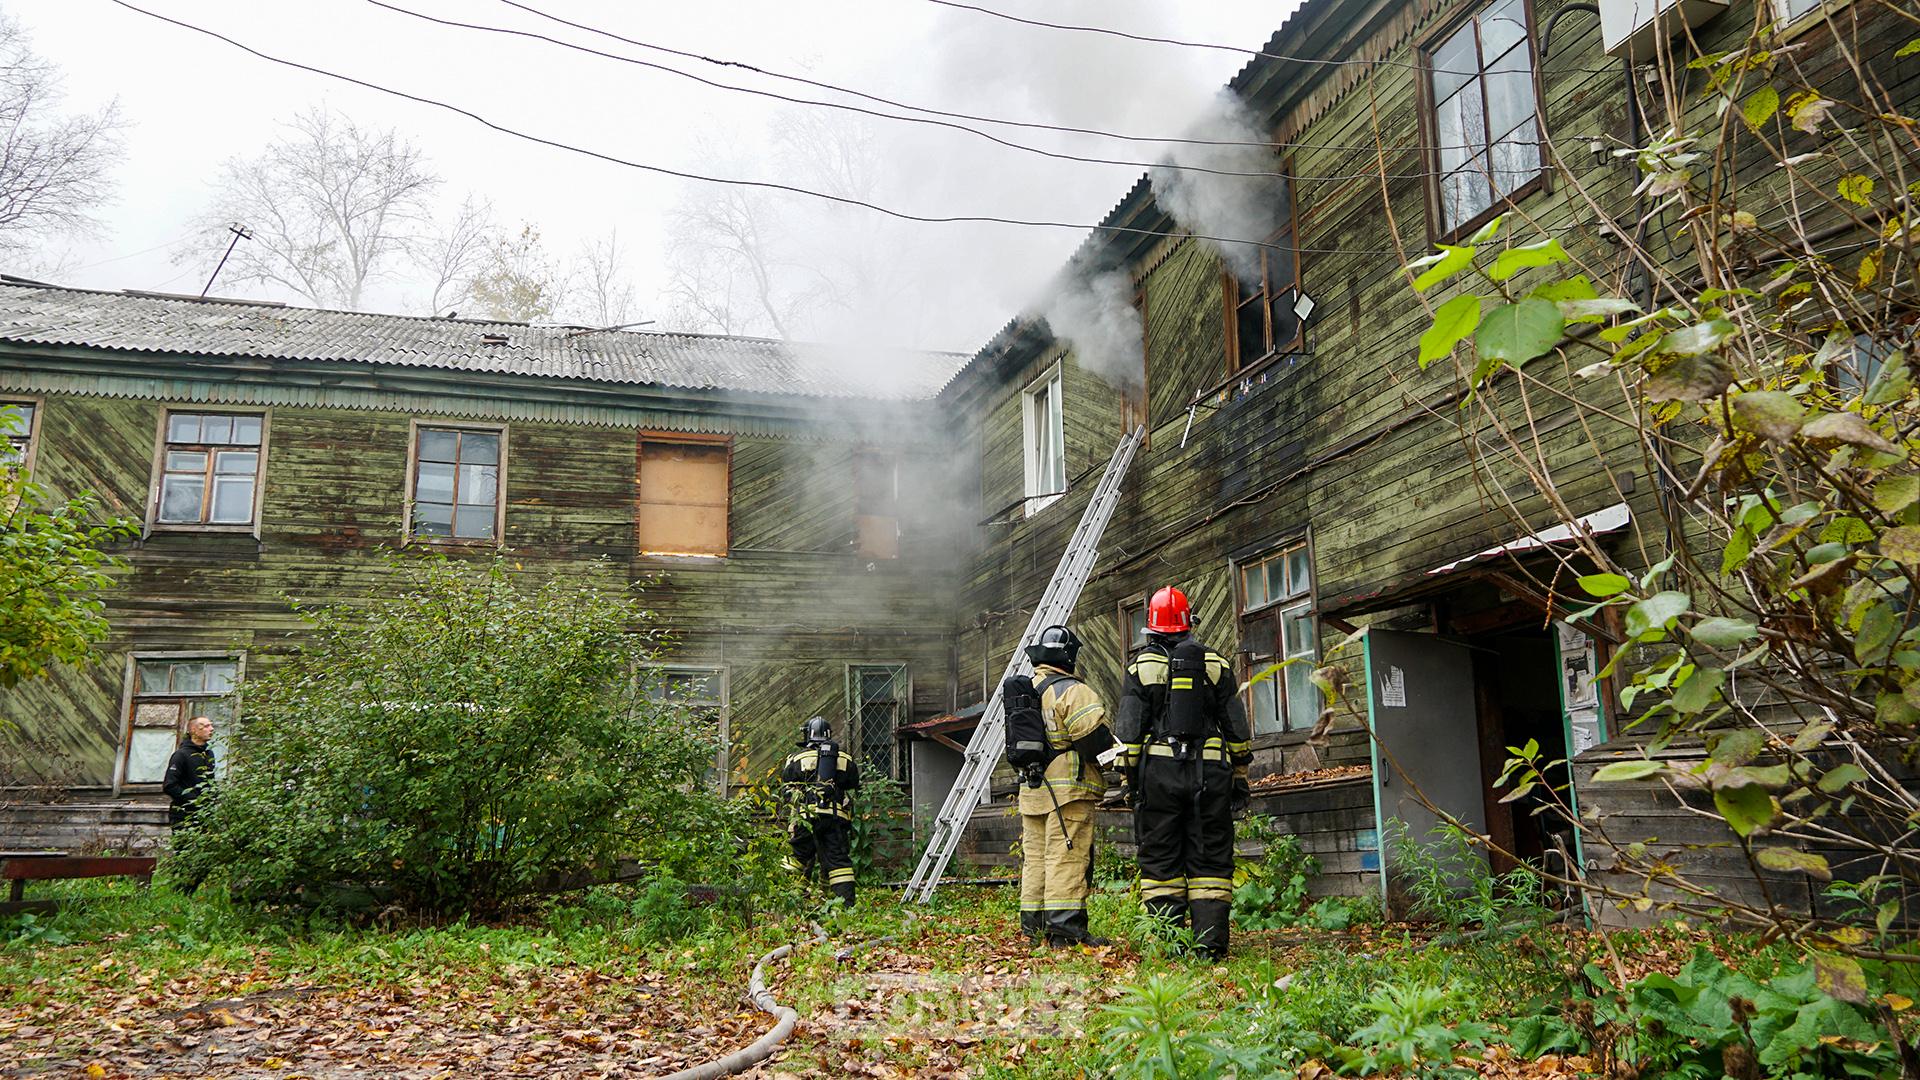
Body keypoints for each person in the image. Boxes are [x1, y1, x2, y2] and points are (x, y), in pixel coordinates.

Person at [1115, 587, 1252, 959]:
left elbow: (1128, 735)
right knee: (1210, 859)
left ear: (1152, 629)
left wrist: (1130, 783)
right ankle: (1209, 947)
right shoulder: (1217, 665)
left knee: (1160, 858)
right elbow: (1236, 729)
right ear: (1189, 623)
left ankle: (1169, 944)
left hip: (1158, 777)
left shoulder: (1140, 668)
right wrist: (1239, 775)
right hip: (1211, 776)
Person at [1016, 624, 1117, 947]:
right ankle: (1066, 932)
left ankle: (1034, 928)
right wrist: (1119, 760)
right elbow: (1094, 743)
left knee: (1036, 860)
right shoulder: (1071, 691)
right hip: (1068, 792)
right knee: (1067, 858)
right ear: (1069, 657)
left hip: (1032, 791)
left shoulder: (1026, 690)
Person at [779, 716, 861, 906]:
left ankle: (788, 900)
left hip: (805, 818)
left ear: (807, 735)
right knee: (838, 862)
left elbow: (787, 787)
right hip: (834, 819)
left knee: (797, 857)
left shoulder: (796, 758)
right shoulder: (844, 759)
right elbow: (853, 783)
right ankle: (844, 905)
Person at [163, 715, 217, 828]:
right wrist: (194, 801)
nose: (211, 729)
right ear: (193, 730)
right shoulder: (181, 755)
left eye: (211, 725)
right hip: (184, 816)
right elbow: (170, 785)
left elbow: (210, 782)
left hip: (206, 815)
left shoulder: (208, 754)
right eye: (206, 726)